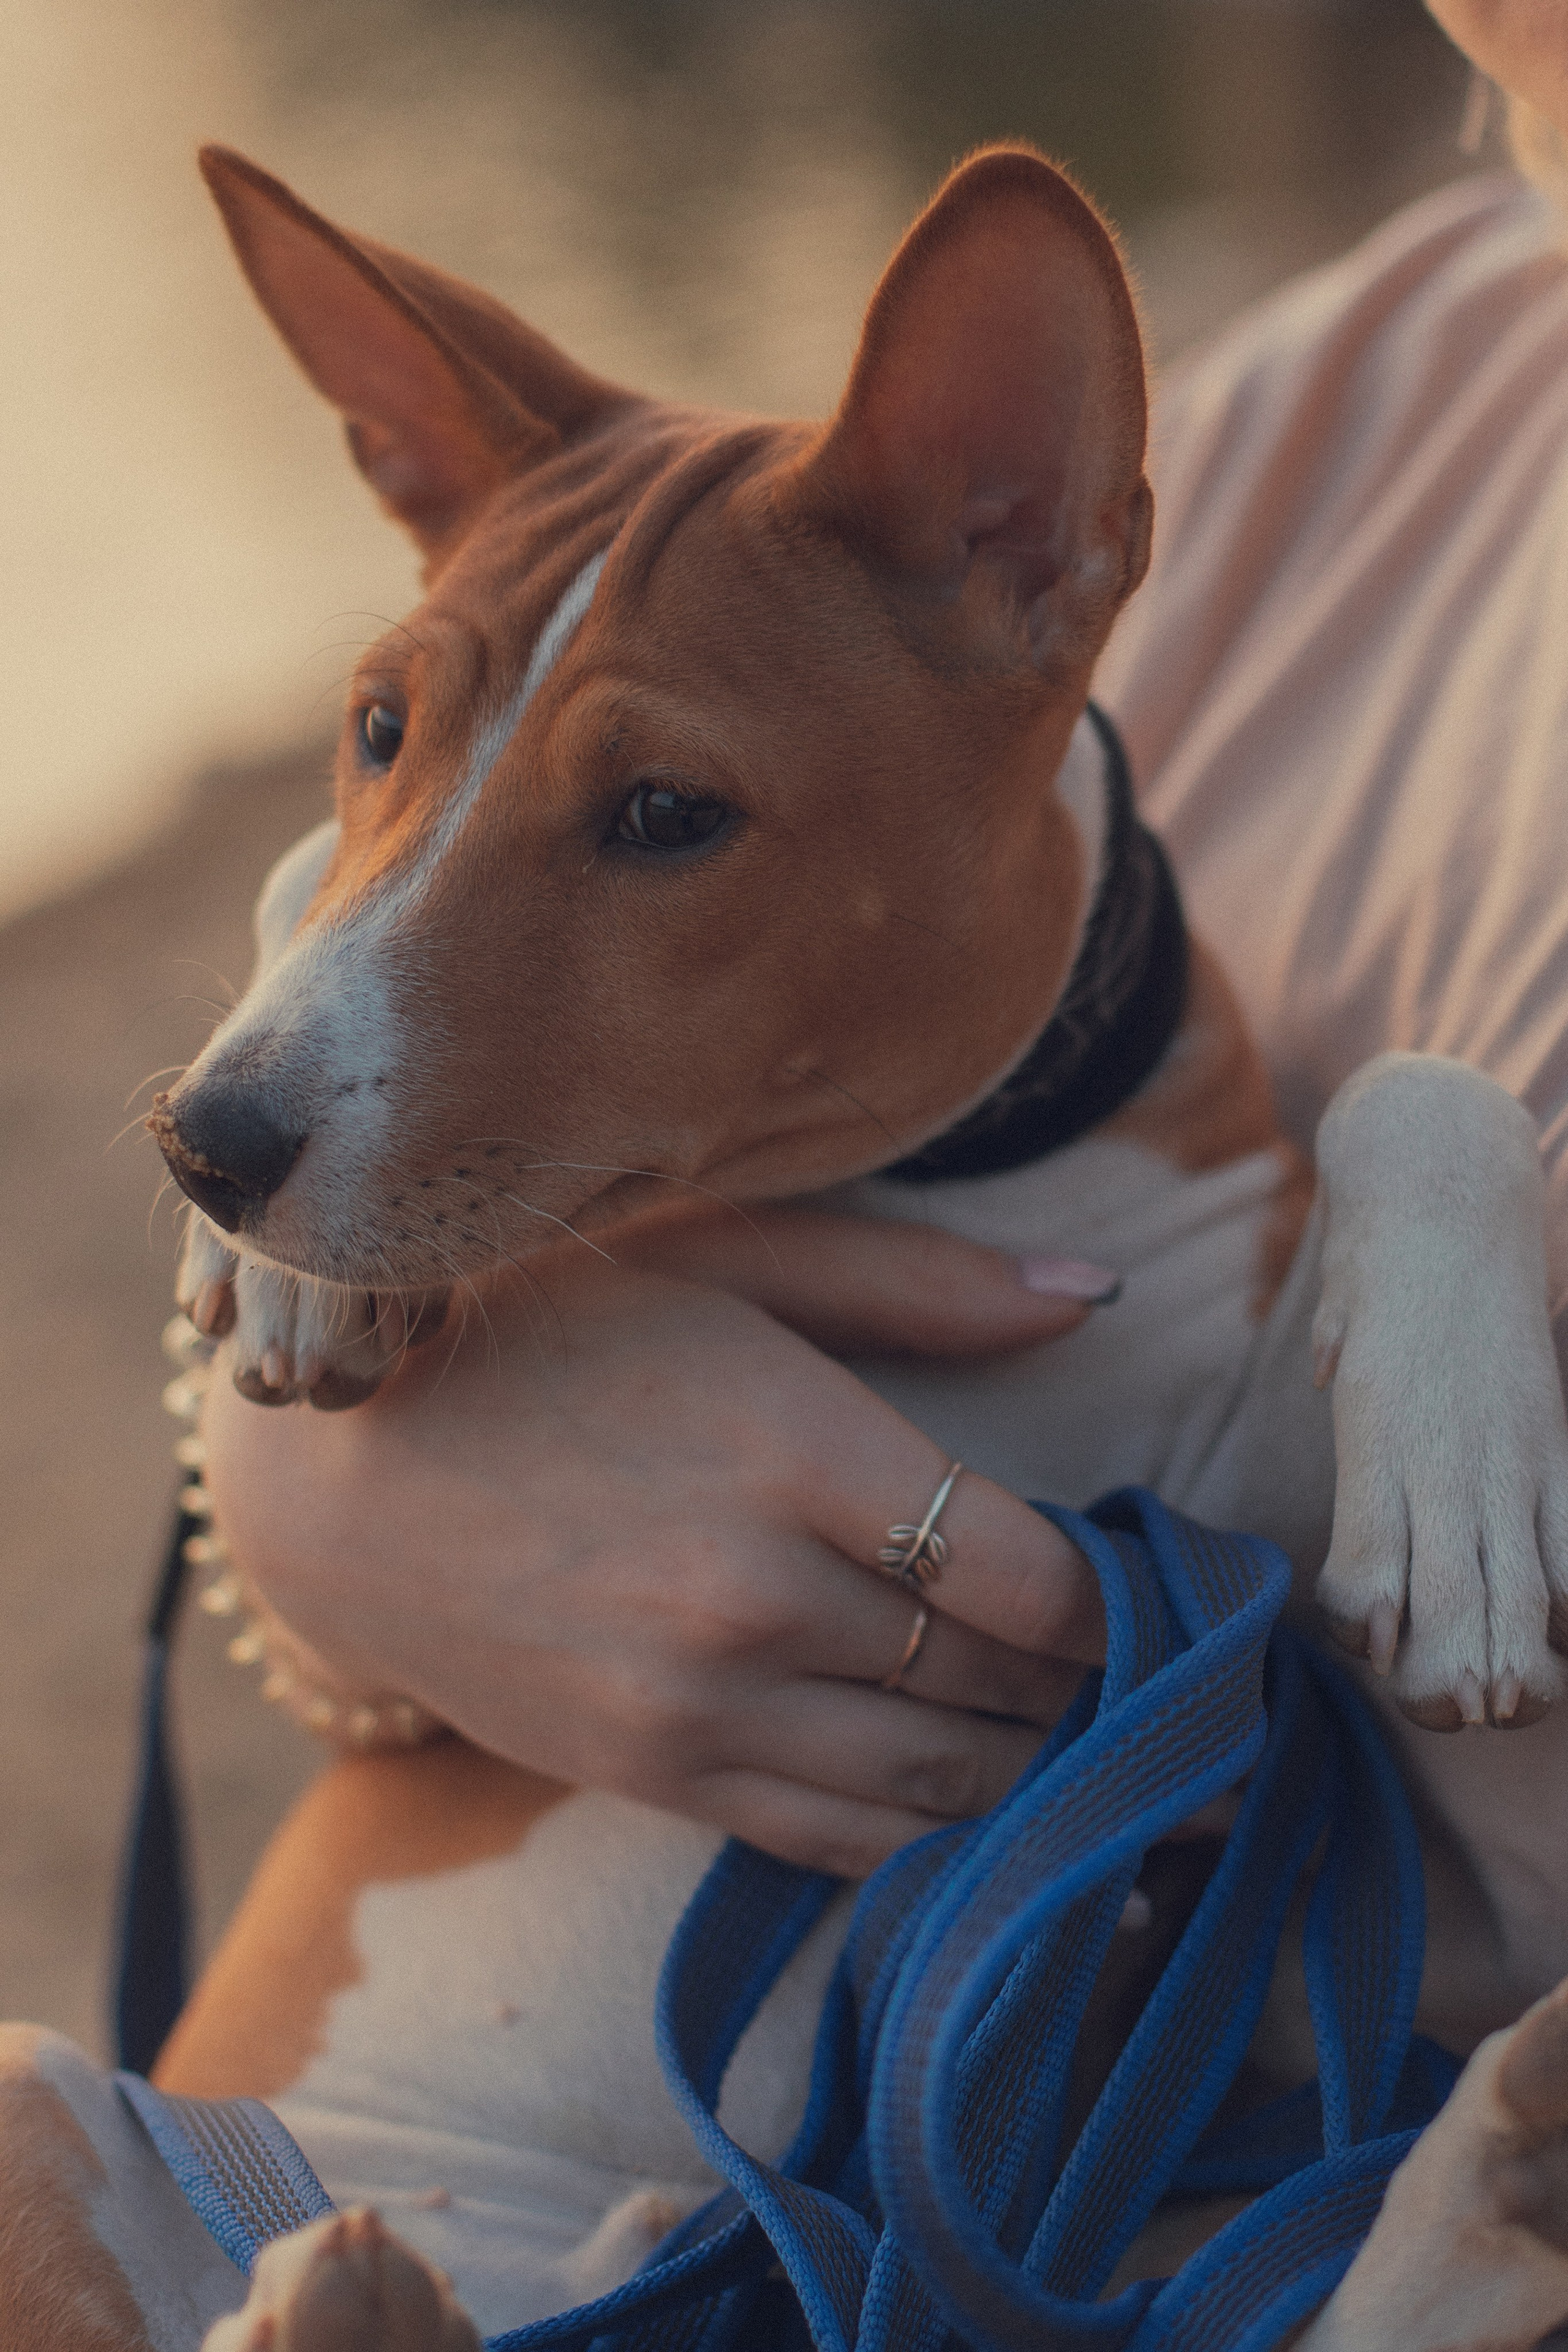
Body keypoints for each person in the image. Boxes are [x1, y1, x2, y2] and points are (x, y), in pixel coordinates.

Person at [186, 1, 1568, 2336]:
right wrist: (302, 1475)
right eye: (376, 715)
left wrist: (1440, 1169)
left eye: (659, 812)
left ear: (1039, 547)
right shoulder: (1359, 393)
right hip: (390, 2146)